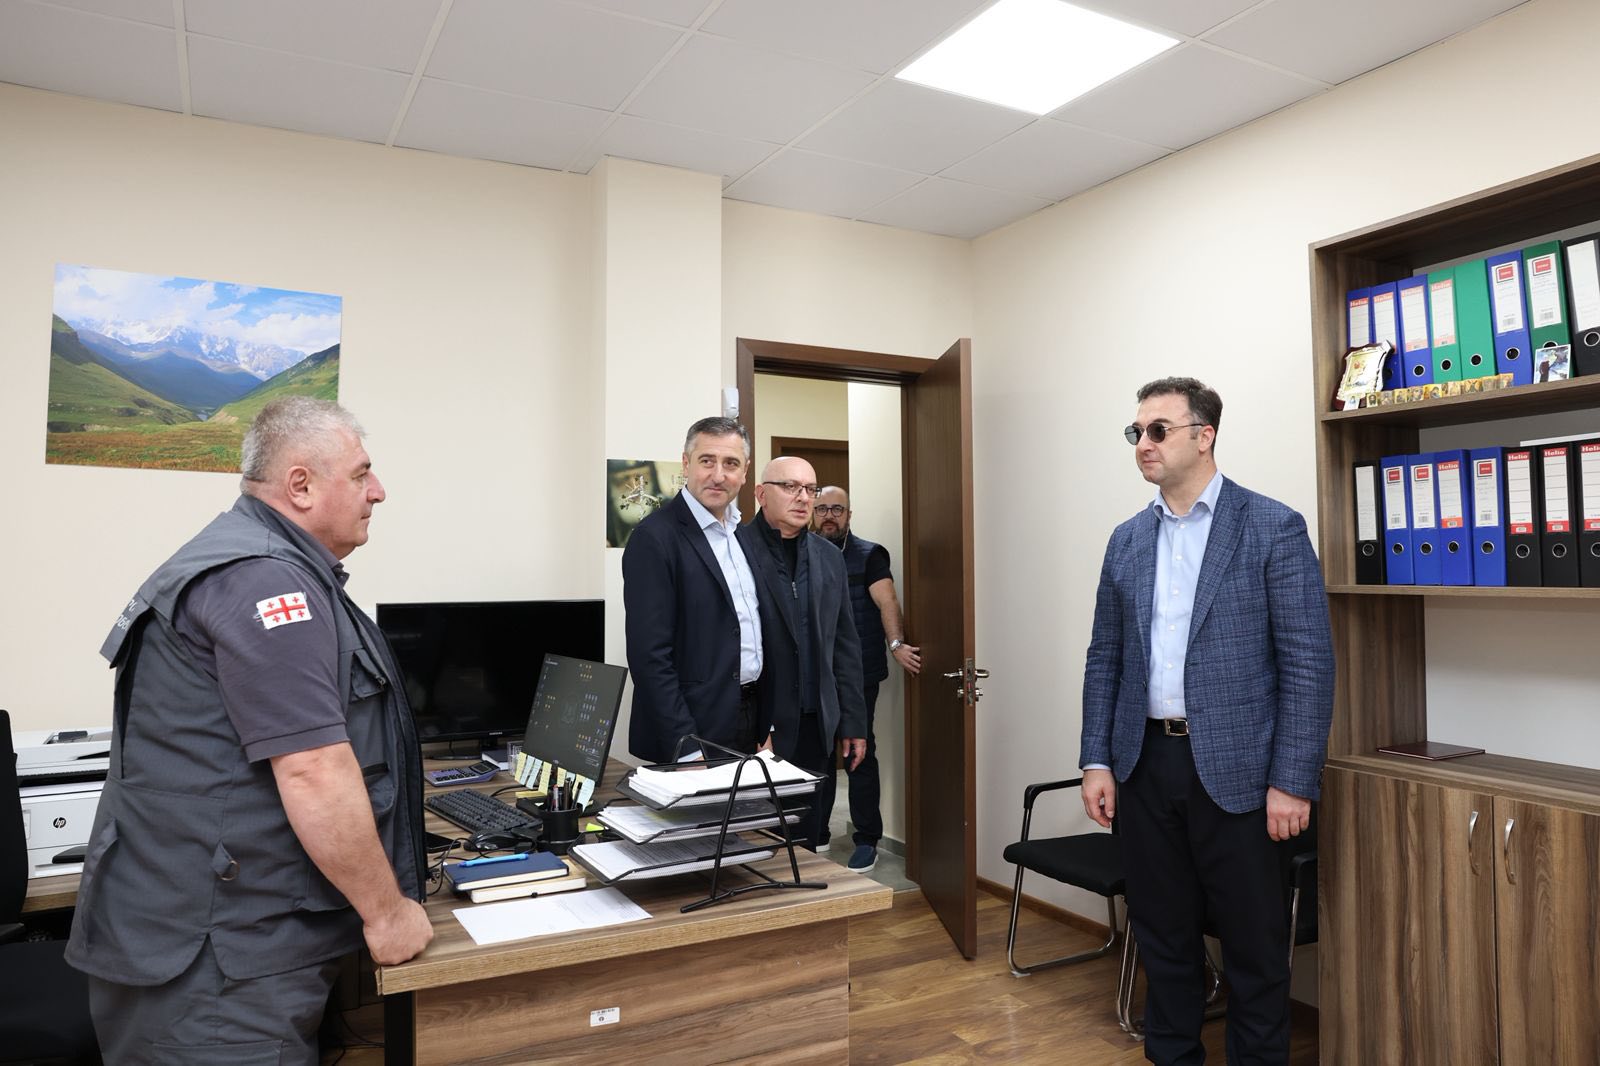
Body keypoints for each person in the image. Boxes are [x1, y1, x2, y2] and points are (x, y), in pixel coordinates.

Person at [65, 397, 432, 1064]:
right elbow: (313, 768)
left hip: (219, 936)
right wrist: (387, 913)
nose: (378, 491)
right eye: (361, 474)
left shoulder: (258, 561)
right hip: (217, 965)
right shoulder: (263, 580)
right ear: (300, 486)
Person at [1079, 377, 1333, 1065]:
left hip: (1241, 772)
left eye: (1158, 429)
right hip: (1144, 765)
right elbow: (1106, 657)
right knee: (1163, 938)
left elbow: (1308, 663)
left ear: (1204, 435)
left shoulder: (1272, 526)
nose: (1144, 443)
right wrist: (1096, 759)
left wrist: (1293, 781)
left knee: (1254, 948)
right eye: (1136, 432)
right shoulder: (1127, 540)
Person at [737, 457, 868, 850]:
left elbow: (844, 644)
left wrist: (853, 722)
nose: (803, 498)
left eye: (810, 489)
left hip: (815, 723)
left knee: (807, 839)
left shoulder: (828, 556)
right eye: (790, 487)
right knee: (756, 844)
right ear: (761, 493)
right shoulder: (736, 549)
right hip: (757, 725)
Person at [623, 416, 764, 763]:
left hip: (748, 718)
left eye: (731, 463)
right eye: (707, 461)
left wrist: (767, 725)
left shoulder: (742, 534)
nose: (719, 475)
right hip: (693, 729)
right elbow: (649, 657)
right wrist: (684, 747)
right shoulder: (654, 538)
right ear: (686, 464)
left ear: (745, 471)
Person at [811, 486, 921, 871]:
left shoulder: (869, 555)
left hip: (858, 671)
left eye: (837, 509)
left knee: (857, 750)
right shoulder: (801, 551)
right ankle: (816, 831)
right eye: (822, 508)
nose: (829, 515)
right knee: (817, 752)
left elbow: (887, 600)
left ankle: (867, 838)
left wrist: (896, 644)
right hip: (814, 673)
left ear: (849, 514)